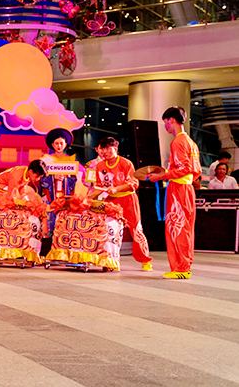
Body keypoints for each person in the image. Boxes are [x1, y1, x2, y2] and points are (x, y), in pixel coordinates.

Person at [147, 106, 201, 280]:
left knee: (176, 227)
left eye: (165, 122)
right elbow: (195, 171)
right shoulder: (191, 143)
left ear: (171, 120)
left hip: (178, 190)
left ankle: (181, 268)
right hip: (187, 189)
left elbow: (184, 169)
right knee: (185, 228)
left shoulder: (178, 142)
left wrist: (162, 176)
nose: (165, 126)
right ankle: (184, 266)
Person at [85, 137, 153, 271]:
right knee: (107, 229)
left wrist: (117, 189)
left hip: (128, 200)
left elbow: (133, 184)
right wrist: (88, 197)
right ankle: (110, 259)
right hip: (111, 200)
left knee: (136, 230)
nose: (104, 152)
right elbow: (98, 188)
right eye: (102, 148)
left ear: (115, 149)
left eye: (107, 148)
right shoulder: (99, 166)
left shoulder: (126, 163)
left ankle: (145, 260)